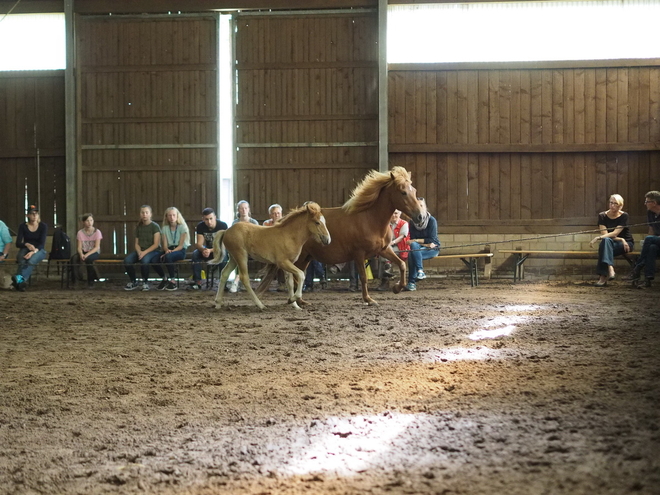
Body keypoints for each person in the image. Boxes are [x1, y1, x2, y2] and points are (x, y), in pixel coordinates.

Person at [588, 194, 634, 287]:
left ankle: (602, 278)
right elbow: (605, 235)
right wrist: (620, 239)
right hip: (612, 242)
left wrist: (598, 238)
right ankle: (610, 267)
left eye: (615, 203)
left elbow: (614, 233)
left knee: (604, 246)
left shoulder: (624, 216)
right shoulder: (602, 216)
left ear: (620, 206)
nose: (612, 205)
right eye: (611, 203)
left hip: (625, 244)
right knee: (605, 242)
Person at [123, 205, 163, 291]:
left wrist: (144, 253)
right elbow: (136, 243)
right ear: (140, 214)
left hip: (153, 251)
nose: (144, 214)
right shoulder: (138, 227)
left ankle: (145, 282)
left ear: (150, 214)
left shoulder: (155, 226)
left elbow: (156, 244)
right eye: (142, 212)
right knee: (127, 261)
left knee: (144, 261)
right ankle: (133, 281)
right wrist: (139, 252)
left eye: (146, 212)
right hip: (141, 251)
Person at [405, 198, 440, 291]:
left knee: (412, 253)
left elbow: (432, 240)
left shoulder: (432, 220)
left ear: (425, 207)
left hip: (432, 249)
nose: (419, 207)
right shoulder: (412, 222)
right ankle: (420, 271)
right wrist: (425, 244)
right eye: (417, 205)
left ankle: (411, 283)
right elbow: (413, 240)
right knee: (413, 249)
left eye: (421, 205)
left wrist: (417, 241)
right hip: (422, 247)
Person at [12, 205, 48, 291]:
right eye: (32, 214)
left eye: (36, 214)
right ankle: (20, 285)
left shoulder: (43, 226)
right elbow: (18, 243)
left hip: (39, 250)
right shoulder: (23, 226)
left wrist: (33, 251)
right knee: (21, 258)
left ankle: (19, 279)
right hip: (26, 248)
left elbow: (41, 244)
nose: (35, 216)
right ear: (27, 215)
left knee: (31, 260)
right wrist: (26, 244)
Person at [628, 190, 660, 288]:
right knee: (651, 248)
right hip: (657, 242)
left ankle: (638, 266)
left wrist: (650, 239)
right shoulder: (650, 213)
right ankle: (648, 278)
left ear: (654, 203)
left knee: (649, 239)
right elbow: (651, 230)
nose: (645, 203)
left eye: (647, 201)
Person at [191, 207, 227, 290]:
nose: (209, 222)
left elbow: (224, 244)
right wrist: (204, 250)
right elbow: (199, 244)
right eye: (206, 219)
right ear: (203, 219)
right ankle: (197, 282)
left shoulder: (223, 225)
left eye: (211, 218)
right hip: (207, 249)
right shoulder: (200, 226)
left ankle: (223, 283)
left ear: (215, 217)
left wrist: (210, 250)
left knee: (224, 256)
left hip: (220, 249)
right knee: (195, 254)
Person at [228, 200, 259, 293]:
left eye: (245, 208)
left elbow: (257, 238)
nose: (244, 210)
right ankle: (240, 280)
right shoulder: (235, 223)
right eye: (241, 208)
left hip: (253, 249)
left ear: (248, 209)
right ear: (238, 210)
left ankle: (237, 280)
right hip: (239, 248)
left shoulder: (254, 222)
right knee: (239, 255)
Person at [158, 207, 190, 291]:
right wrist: (166, 250)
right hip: (169, 249)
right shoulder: (165, 228)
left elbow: (181, 245)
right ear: (166, 217)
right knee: (154, 259)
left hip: (179, 250)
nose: (172, 217)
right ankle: (164, 278)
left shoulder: (182, 227)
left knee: (168, 257)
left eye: (173, 215)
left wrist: (171, 252)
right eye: (169, 215)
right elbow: (164, 244)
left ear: (177, 216)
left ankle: (173, 281)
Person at [377, 209, 410, 291]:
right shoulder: (385, 223)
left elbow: (402, 236)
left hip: (399, 246)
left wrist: (392, 242)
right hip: (387, 245)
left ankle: (386, 275)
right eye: (392, 213)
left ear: (400, 214)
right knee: (382, 256)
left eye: (396, 213)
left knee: (386, 255)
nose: (394, 215)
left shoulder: (404, 223)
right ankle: (385, 280)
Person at [71, 213, 103, 288]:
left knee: (89, 260)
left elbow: (97, 247)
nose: (89, 222)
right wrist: (81, 254)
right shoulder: (80, 233)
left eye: (91, 220)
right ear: (83, 222)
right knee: (74, 259)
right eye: (87, 221)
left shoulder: (97, 232)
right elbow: (79, 247)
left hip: (93, 252)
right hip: (83, 251)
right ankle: (76, 280)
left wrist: (86, 255)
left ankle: (91, 281)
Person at [263, 203, 286, 291]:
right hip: (269, 249)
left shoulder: (285, 224)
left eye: (278, 213)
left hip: (282, 249)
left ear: (281, 214)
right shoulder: (266, 224)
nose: (276, 215)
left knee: (281, 263)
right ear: (270, 215)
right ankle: (265, 284)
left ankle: (282, 284)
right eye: (274, 213)